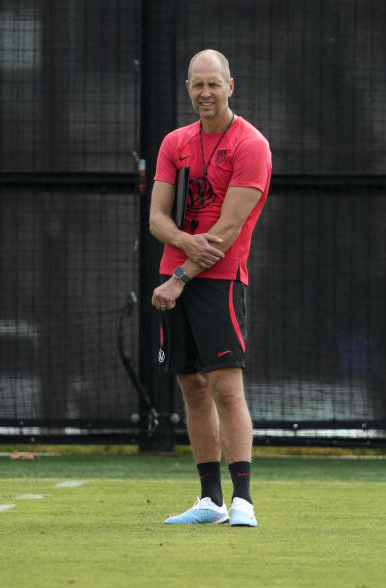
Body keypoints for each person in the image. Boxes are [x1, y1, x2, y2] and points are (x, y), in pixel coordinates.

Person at [149, 50, 272, 527]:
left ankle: (243, 500)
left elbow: (228, 230)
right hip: (173, 279)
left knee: (226, 387)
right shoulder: (175, 143)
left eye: (213, 84)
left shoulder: (251, 145)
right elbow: (157, 219)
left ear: (230, 86)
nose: (205, 93)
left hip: (218, 281)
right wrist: (180, 245)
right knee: (192, 387)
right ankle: (210, 501)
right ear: (188, 88)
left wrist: (179, 278)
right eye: (197, 85)